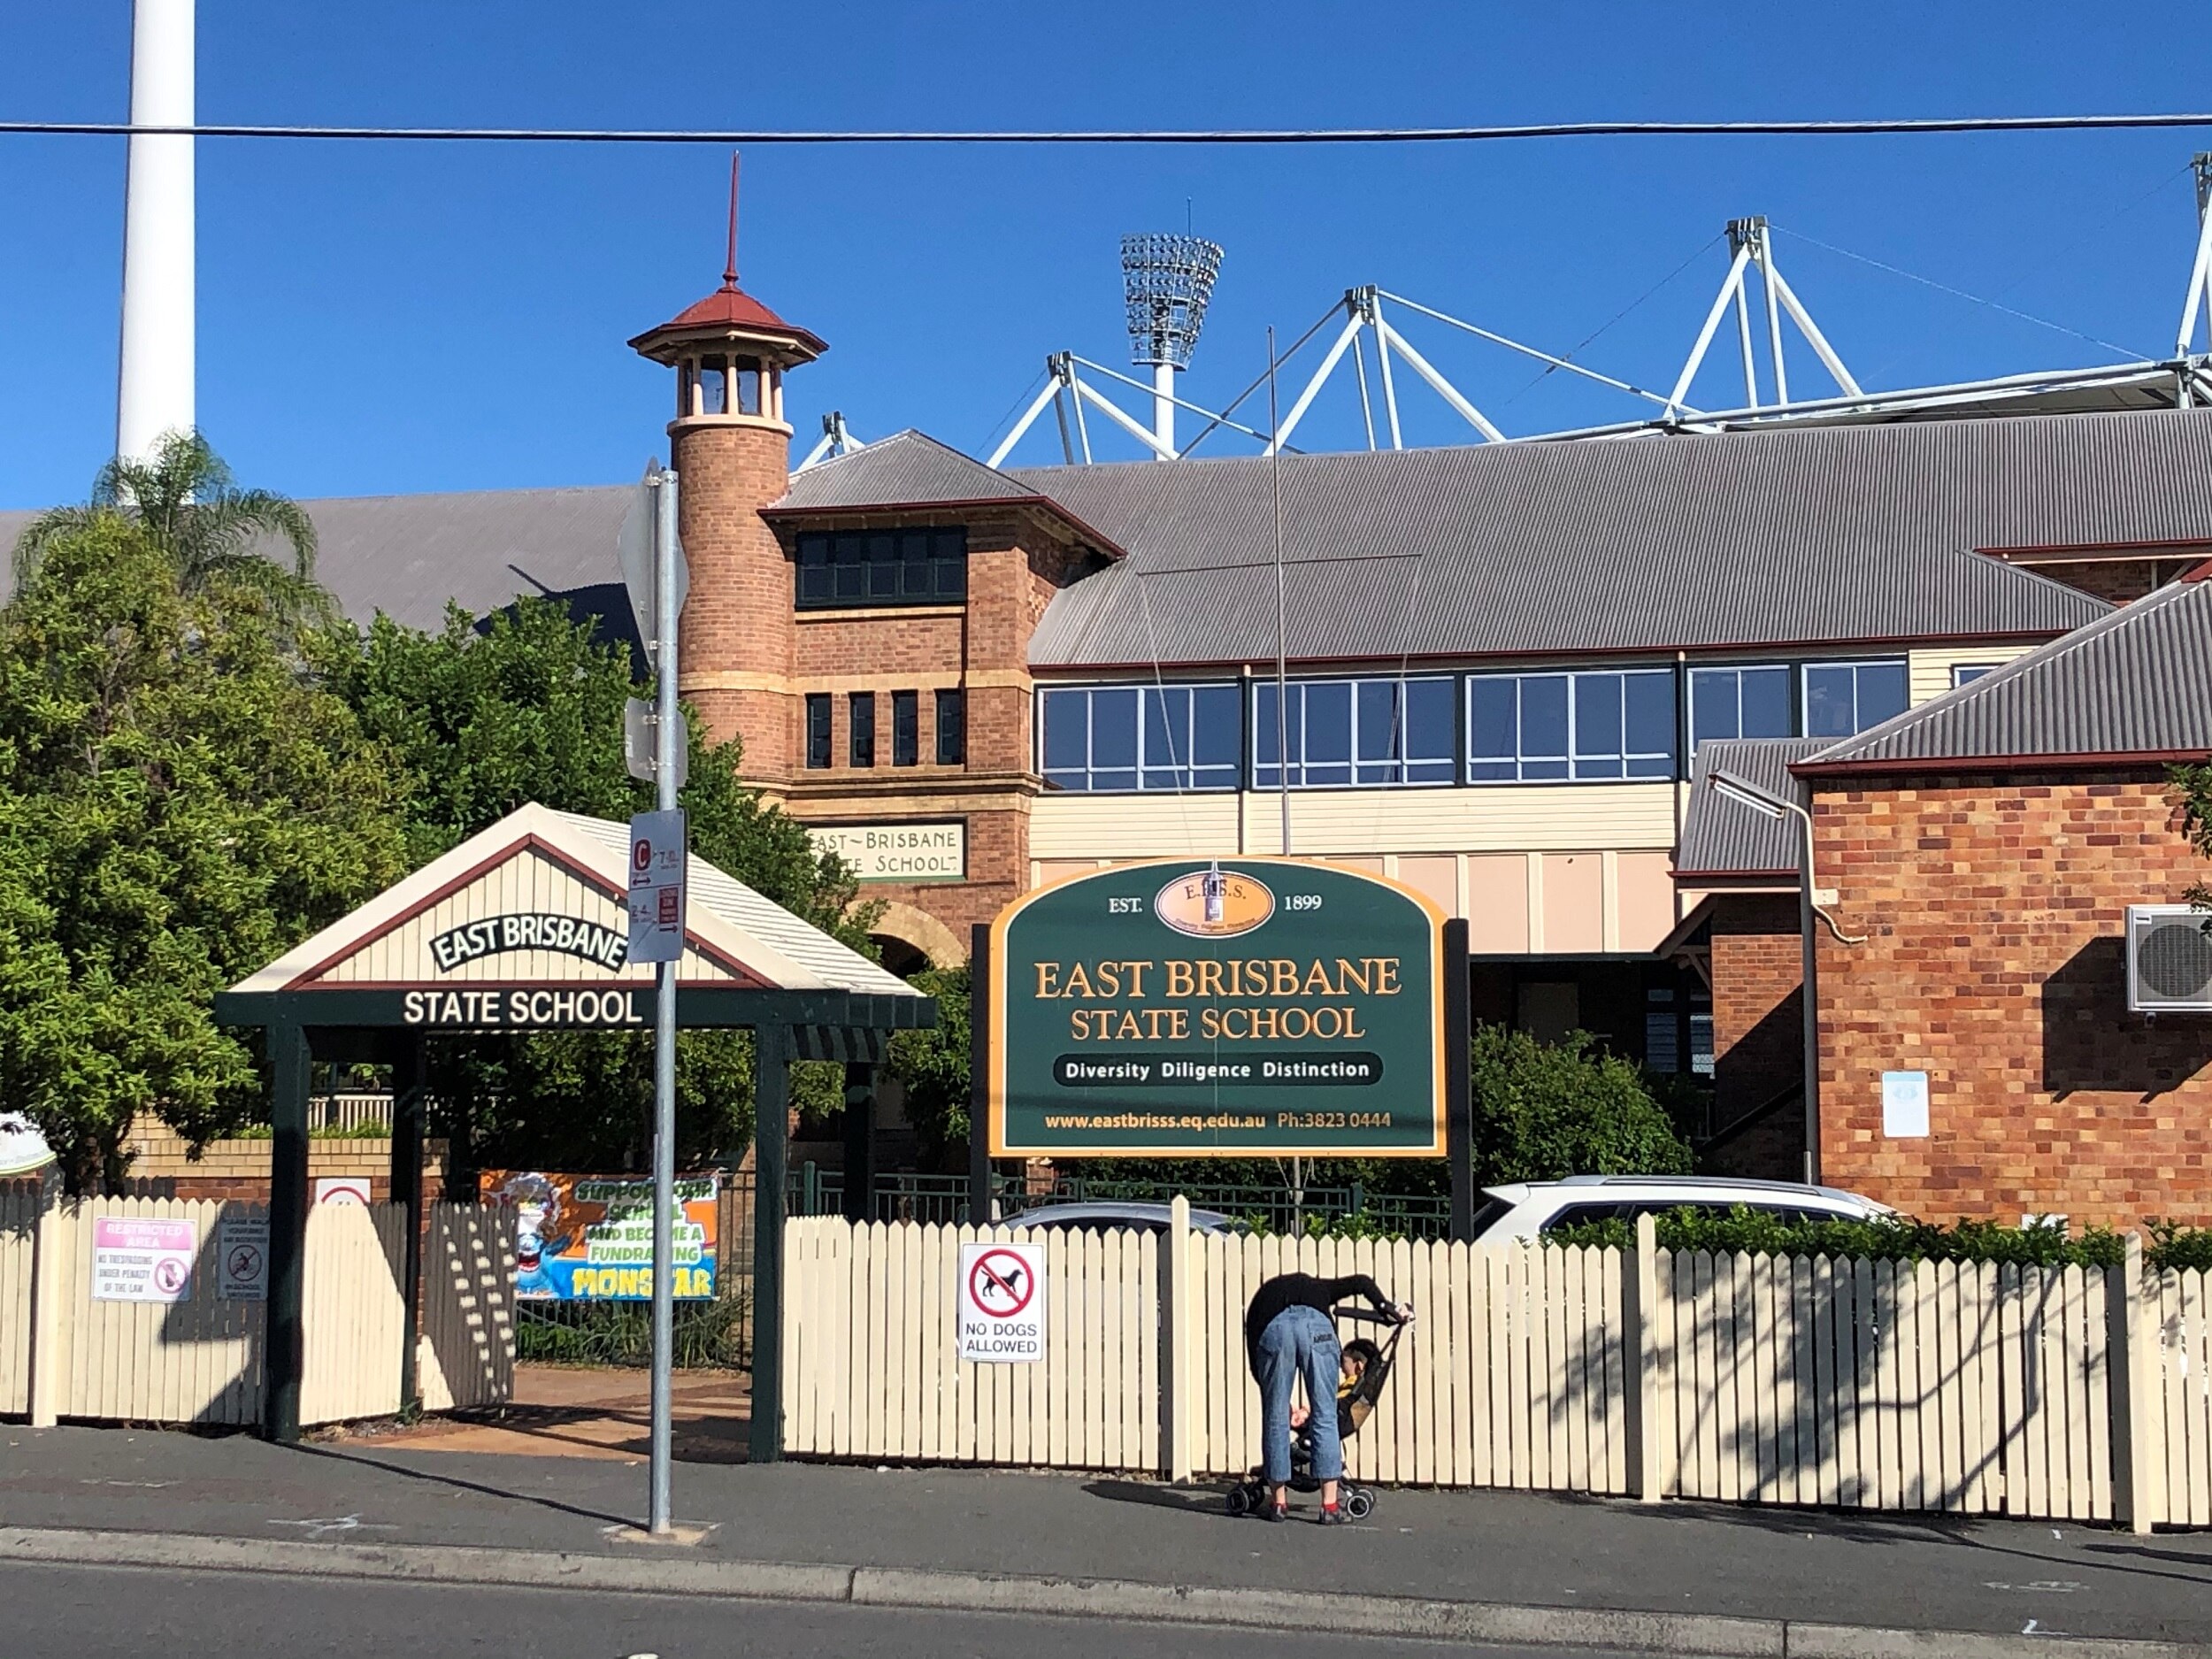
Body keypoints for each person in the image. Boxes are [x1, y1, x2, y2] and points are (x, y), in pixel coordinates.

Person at [1243, 1271, 1410, 1525]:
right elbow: (1361, 1282)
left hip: (1274, 1327)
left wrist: (1277, 1398)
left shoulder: (1264, 1297)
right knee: (1325, 1415)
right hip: (1317, 1328)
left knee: (1275, 1418)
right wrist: (1384, 1306)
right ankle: (1329, 1506)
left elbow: (1256, 1357)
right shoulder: (1320, 1288)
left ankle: (1278, 1504)